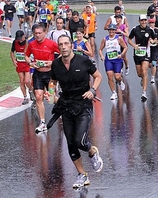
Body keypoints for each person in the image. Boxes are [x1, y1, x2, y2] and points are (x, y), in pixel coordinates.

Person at [50, 34, 103, 188]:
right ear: (58, 47)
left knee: (80, 141)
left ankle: (92, 151)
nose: (64, 47)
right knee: (71, 144)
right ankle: (82, 175)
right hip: (66, 106)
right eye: (61, 44)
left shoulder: (83, 60)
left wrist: (92, 90)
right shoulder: (56, 64)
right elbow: (52, 82)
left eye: (66, 43)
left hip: (83, 104)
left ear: (71, 45)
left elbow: (98, 76)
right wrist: (51, 92)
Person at [25, 23, 60, 133]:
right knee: (39, 97)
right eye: (35, 33)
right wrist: (31, 63)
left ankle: (63, 107)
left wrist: (53, 62)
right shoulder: (31, 44)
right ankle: (43, 122)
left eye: (40, 33)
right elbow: (26, 55)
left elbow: (62, 53)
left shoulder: (51, 44)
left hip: (50, 75)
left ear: (45, 33)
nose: (38, 35)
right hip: (38, 74)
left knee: (51, 98)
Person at [128, 14, 156, 101]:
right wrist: (134, 45)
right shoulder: (135, 29)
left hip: (146, 53)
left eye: (145, 20)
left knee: (144, 71)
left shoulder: (150, 30)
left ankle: (144, 93)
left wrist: (152, 40)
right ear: (139, 21)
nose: (143, 22)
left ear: (146, 21)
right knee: (139, 73)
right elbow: (129, 39)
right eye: (142, 20)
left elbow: (155, 39)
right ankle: (143, 79)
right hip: (137, 53)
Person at [99, 23, 127, 100]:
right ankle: (114, 93)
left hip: (117, 59)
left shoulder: (118, 38)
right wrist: (101, 56)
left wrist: (121, 54)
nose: (111, 31)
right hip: (109, 59)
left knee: (117, 76)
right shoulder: (105, 39)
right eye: (110, 30)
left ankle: (120, 82)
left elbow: (125, 47)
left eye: (113, 30)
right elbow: (100, 49)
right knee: (109, 75)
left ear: (115, 30)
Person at [11, 30, 34, 105]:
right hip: (19, 64)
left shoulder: (28, 43)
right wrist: (14, 60)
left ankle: (31, 90)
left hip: (26, 64)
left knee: (27, 81)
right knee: (21, 81)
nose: (20, 40)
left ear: (24, 36)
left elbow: (30, 53)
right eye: (18, 39)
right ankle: (25, 97)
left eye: (21, 38)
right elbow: (11, 52)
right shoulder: (15, 42)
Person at [148, 17, 158, 84]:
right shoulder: (146, 30)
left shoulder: (157, 31)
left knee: (153, 63)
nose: (151, 24)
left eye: (152, 23)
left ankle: (152, 77)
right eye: (150, 23)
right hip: (148, 49)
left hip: (155, 49)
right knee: (149, 64)